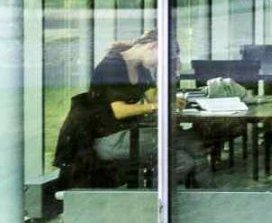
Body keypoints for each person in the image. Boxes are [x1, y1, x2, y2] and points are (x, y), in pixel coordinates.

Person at [54, 31, 212, 188]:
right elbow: (119, 110)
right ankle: (159, 202)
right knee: (185, 153)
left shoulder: (139, 66)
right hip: (109, 138)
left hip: (128, 132)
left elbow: (154, 97)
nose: (159, 64)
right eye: (162, 59)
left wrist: (172, 86)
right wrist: (157, 106)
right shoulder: (113, 66)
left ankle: (205, 195)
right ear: (153, 46)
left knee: (191, 145)